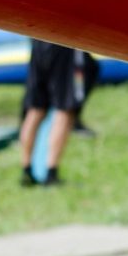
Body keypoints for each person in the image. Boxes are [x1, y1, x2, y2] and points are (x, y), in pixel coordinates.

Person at [18, 40, 87, 186]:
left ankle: (26, 171)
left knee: (36, 108)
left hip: (39, 39)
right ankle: (51, 173)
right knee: (66, 108)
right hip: (65, 42)